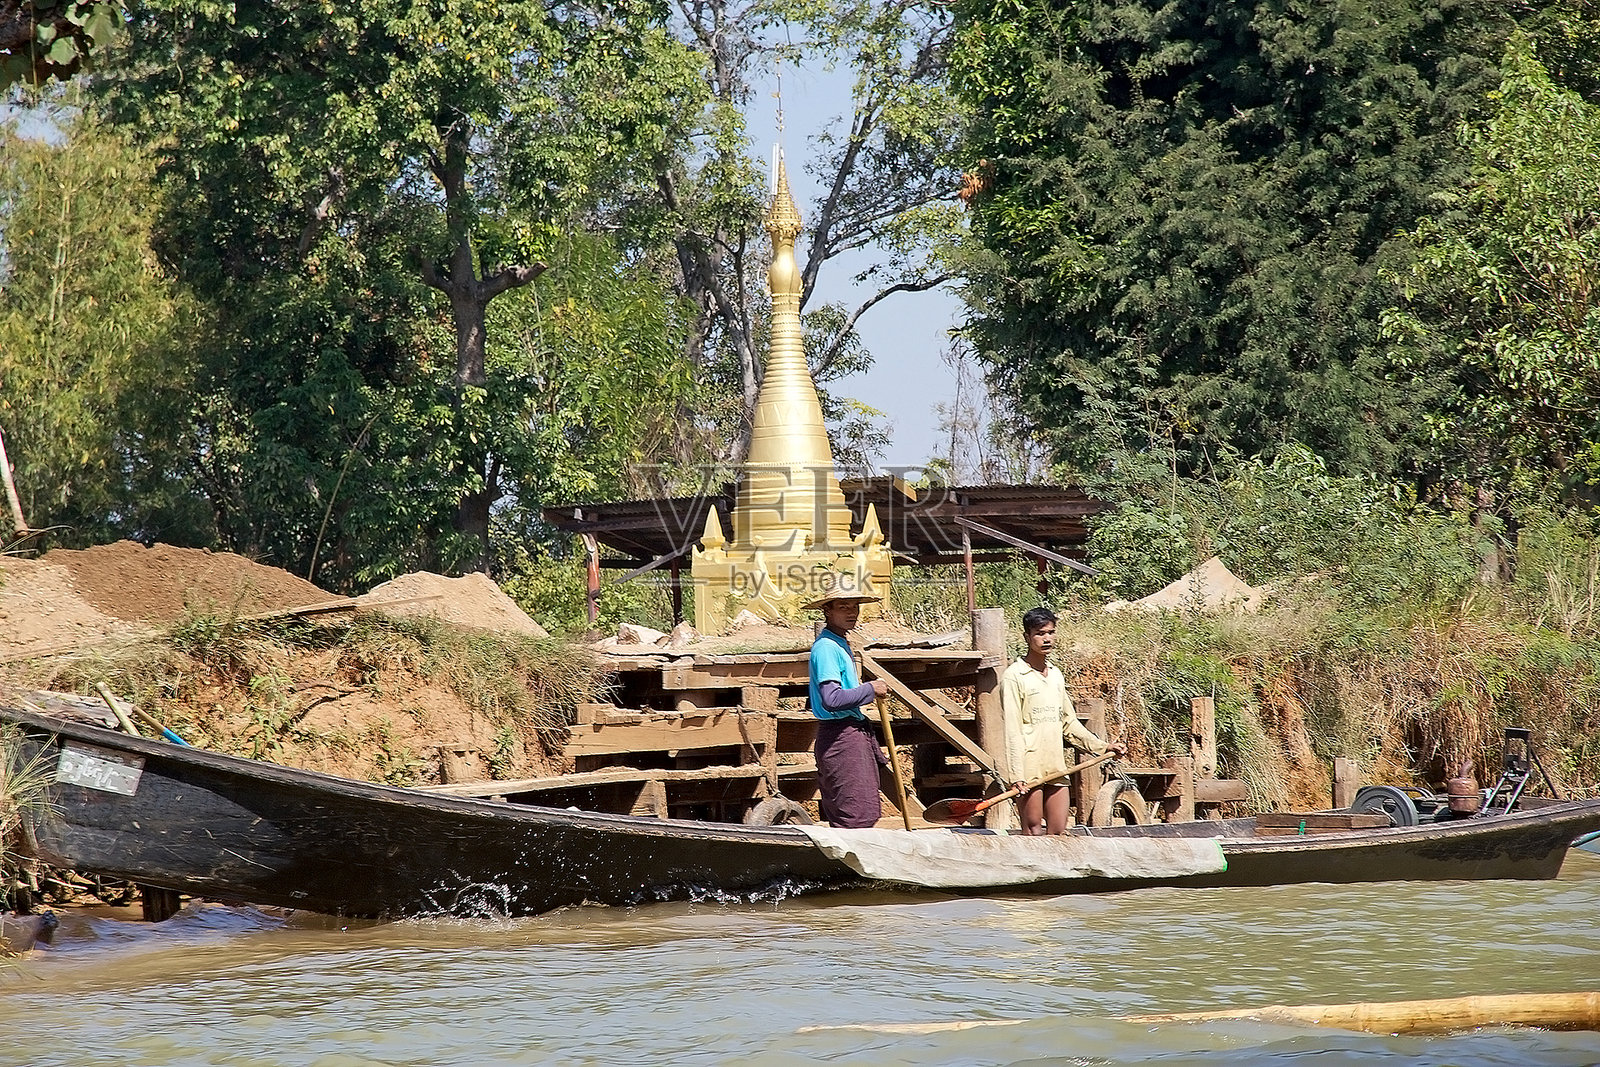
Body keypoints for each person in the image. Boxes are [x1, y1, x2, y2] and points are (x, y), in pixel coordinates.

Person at [1002, 606, 1126, 835]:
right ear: (1027, 637)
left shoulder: (1055, 675)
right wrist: (1016, 775)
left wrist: (1103, 747)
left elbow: (1069, 724)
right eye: (1040, 633)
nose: (1046, 638)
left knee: (1058, 831)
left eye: (1051, 632)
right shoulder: (1014, 676)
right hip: (1029, 767)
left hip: (1055, 766)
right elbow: (1012, 730)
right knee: (1033, 830)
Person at [806, 585, 891, 828]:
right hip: (840, 738)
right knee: (854, 816)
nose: (851, 612)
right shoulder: (826, 648)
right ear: (827, 611)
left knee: (863, 810)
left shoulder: (840, 643)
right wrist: (870, 689)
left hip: (850, 734)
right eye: (843, 607)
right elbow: (831, 699)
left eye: (855, 607)